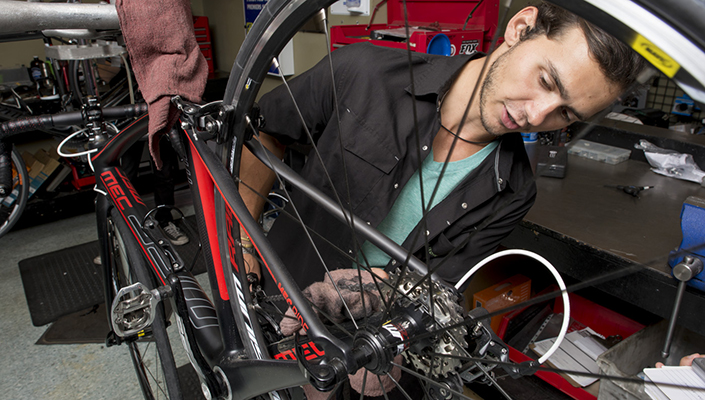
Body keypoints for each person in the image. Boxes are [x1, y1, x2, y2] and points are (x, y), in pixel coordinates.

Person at [240, 2, 646, 294]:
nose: (537, 117)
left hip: (361, 346)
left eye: (566, 114)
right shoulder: (360, 72)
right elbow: (264, 133)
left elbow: (436, 288)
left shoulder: (514, 190)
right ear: (520, 28)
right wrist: (240, 238)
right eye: (545, 81)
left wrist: (384, 306)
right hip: (276, 294)